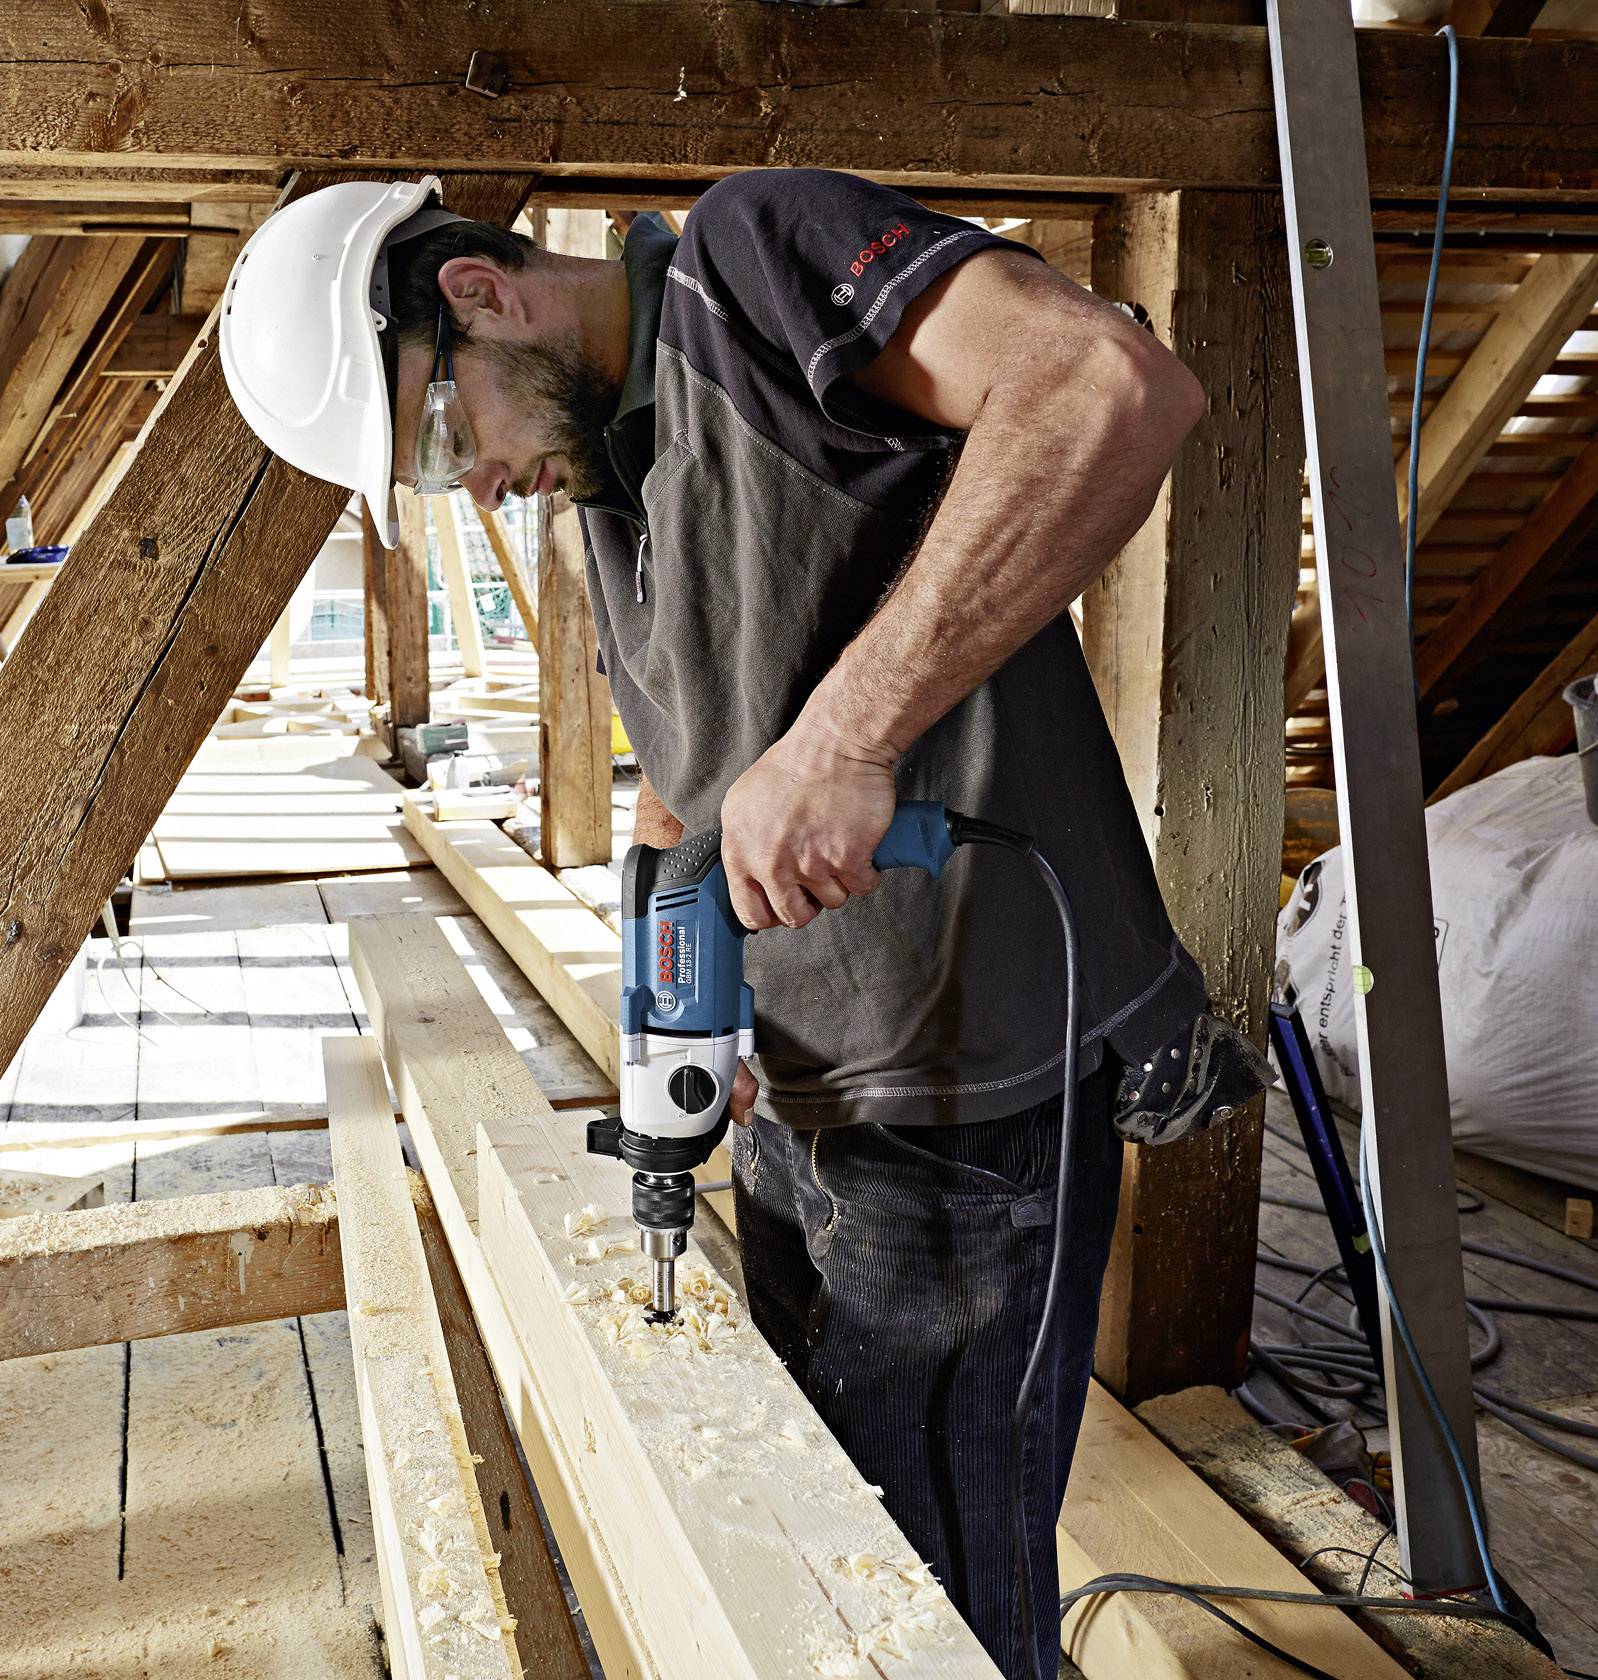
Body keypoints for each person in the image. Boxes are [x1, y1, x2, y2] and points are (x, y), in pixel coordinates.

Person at [216, 170, 1268, 1680]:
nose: (479, 484)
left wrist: (849, 741)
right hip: (802, 1097)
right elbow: (689, 789)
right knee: (825, 1548)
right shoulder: (606, 484)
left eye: (448, 437)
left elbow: (1108, 386)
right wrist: (674, 1006)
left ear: (476, 295)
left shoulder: (755, 264)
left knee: (939, 1605)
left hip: (967, 1102)